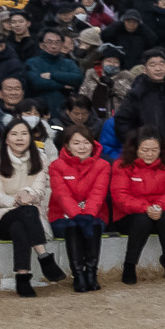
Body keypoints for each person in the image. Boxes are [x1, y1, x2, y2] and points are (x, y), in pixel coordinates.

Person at [0, 119, 64, 298]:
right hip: (0, 217)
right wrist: (18, 200)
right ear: (6, 139)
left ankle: (23, 276)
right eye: (14, 134)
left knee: (21, 225)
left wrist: (28, 194)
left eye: (24, 133)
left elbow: (40, 190)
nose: (20, 138)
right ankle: (44, 257)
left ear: (31, 137)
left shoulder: (40, 157)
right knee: (28, 211)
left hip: (28, 218)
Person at [48, 125, 112, 292]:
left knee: (94, 225)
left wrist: (88, 215)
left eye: (86, 142)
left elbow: (98, 193)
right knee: (73, 226)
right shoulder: (56, 165)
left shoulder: (103, 165)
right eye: (76, 143)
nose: (82, 147)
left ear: (93, 144)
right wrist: (77, 215)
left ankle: (91, 273)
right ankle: (78, 275)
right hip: (63, 215)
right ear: (67, 146)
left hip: (95, 214)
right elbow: (62, 195)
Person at [114, 130, 165, 285]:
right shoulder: (122, 165)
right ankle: (130, 264)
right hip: (129, 215)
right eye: (145, 150)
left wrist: (159, 206)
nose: (150, 154)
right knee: (142, 220)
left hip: (160, 211)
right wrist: (146, 208)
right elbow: (120, 197)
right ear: (135, 149)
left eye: (154, 150)